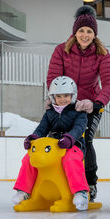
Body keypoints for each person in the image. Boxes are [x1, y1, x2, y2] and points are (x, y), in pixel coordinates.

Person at [47, 5, 110, 201]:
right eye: (81, 31)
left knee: (85, 141)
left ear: (94, 34)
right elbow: (53, 77)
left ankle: (90, 184)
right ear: (74, 32)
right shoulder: (61, 50)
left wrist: (97, 102)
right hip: (66, 104)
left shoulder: (102, 53)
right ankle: (56, 181)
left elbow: (109, 81)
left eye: (89, 31)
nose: (85, 35)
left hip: (90, 106)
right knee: (57, 139)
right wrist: (57, 99)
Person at [12, 76, 90, 210]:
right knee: (29, 158)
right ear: (53, 97)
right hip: (53, 146)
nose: (62, 99)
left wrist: (69, 138)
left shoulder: (79, 112)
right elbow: (42, 128)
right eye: (58, 96)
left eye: (66, 95)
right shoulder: (50, 112)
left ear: (73, 95)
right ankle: (24, 191)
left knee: (70, 158)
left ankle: (80, 192)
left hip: (74, 145)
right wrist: (33, 139)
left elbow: (79, 128)